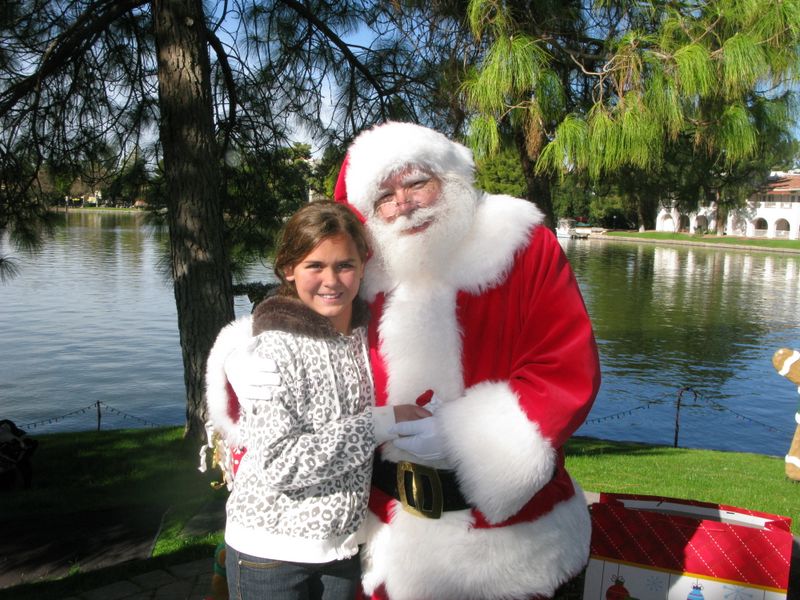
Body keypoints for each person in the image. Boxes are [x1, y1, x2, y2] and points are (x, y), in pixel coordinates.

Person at [331, 122, 602, 600]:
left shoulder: (520, 245)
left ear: (449, 175)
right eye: (385, 197)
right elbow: (307, 341)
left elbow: (564, 367)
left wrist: (466, 438)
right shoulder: (359, 272)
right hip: (385, 536)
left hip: (511, 542)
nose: (404, 204)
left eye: (416, 183)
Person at [204, 201, 429, 600]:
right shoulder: (273, 352)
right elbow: (281, 464)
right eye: (314, 266)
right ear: (288, 270)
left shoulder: (360, 335)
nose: (332, 280)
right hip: (269, 553)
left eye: (345, 265)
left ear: (363, 267)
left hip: (341, 548)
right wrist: (380, 422)